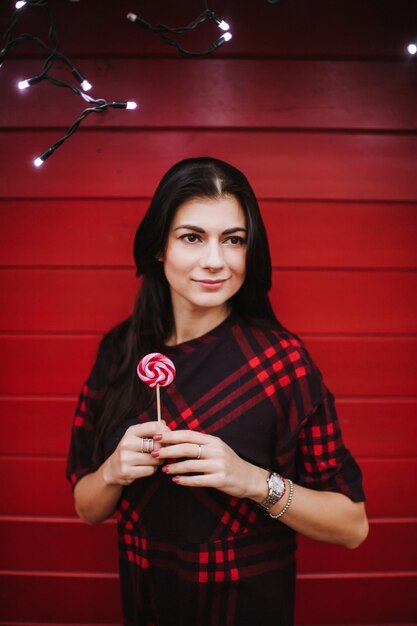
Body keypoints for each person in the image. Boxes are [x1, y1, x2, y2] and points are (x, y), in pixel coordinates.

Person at [66, 156, 368, 626]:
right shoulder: (120, 352)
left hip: (246, 606)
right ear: (159, 248)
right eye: (192, 237)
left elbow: (352, 527)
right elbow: (87, 508)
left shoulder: (281, 362)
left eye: (233, 240)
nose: (215, 261)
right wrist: (112, 471)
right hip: (147, 601)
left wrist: (251, 480)